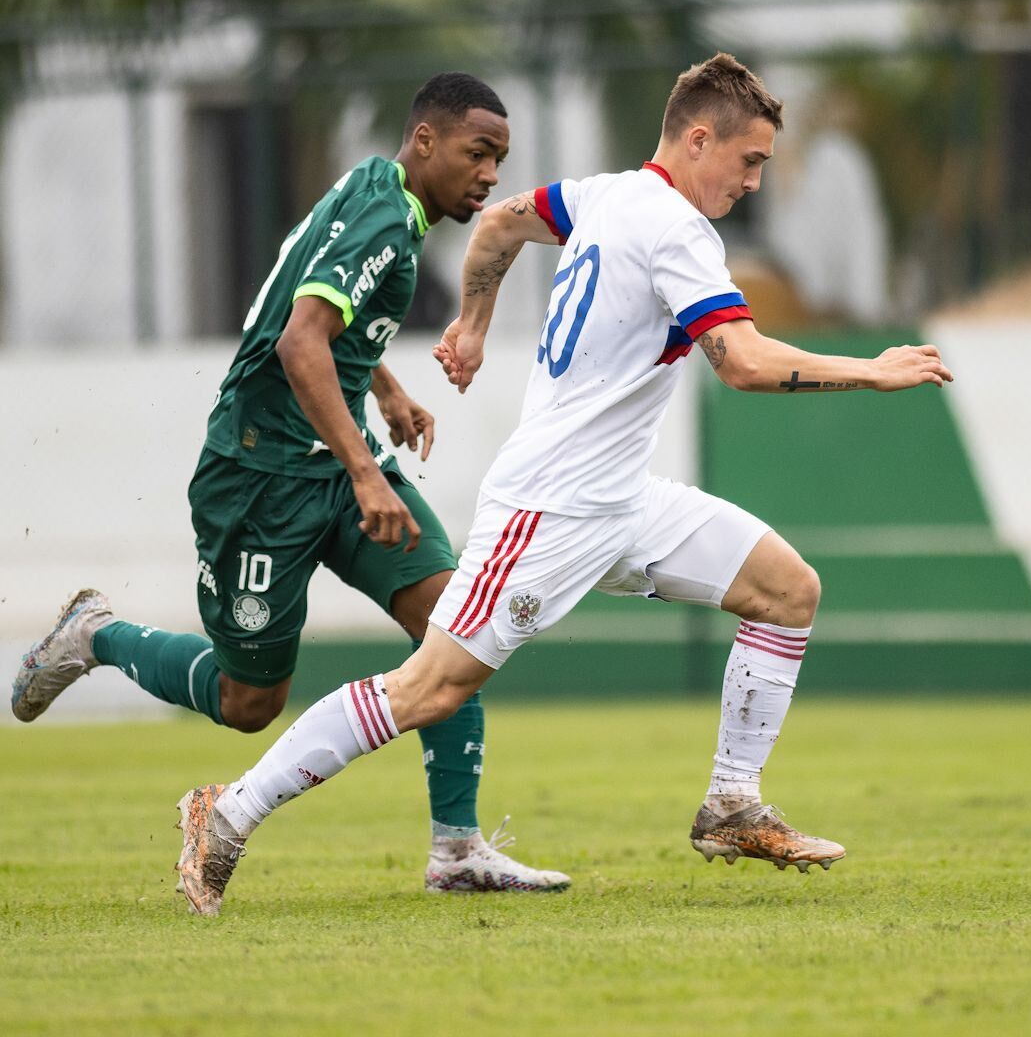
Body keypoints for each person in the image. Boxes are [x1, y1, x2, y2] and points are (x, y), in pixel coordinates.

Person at [167, 52, 953, 916]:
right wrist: (872, 372)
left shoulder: (607, 193)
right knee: (431, 688)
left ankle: (731, 802)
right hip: (549, 506)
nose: (755, 181)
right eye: (749, 160)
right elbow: (742, 362)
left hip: (623, 497)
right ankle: (226, 812)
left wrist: (472, 323)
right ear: (698, 139)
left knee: (786, 589)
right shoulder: (678, 230)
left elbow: (501, 223)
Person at [10, 72, 568, 898]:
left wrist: (382, 390)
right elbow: (298, 345)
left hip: (332, 466)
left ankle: (456, 852)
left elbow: (315, 312)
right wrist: (364, 470)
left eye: (500, 159)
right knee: (248, 702)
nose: (490, 175)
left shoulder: (379, 194)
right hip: (259, 479)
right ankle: (97, 636)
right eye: (477, 153)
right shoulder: (383, 213)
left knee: (454, 626)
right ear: (425, 141)